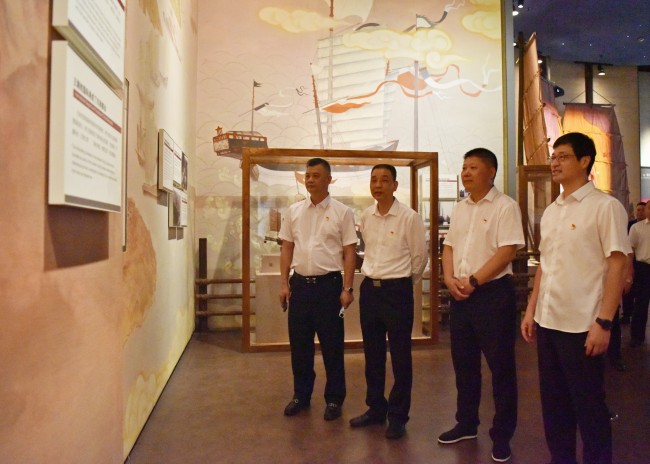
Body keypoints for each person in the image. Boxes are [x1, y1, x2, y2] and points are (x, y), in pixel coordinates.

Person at [521, 132, 631, 464]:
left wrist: (604, 322)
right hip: (548, 321)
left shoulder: (605, 207)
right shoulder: (552, 211)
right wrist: (531, 309)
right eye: (553, 157)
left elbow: (617, 266)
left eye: (563, 156)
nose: (554, 163)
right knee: (554, 406)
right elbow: (545, 264)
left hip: (583, 326)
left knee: (589, 407)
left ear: (584, 161)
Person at [438, 148, 524, 463]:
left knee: (501, 368)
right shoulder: (461, 208)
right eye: (464, 167)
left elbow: (507, 251)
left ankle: (502, 436)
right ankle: (466, 423)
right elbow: (448, 247)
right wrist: (449, 279)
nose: (466, 172)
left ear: (491, 172)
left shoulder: (505, 206)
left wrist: (474, 281)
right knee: (464, 364)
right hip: (460, 294)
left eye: (473, 167)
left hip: (492, 295)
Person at [348, 164, 427, 440]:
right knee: (372, 354)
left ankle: (398, 416)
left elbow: (420, 258)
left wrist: (402, 282)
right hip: (370, 290)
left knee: (401, 356)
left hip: (397, 292)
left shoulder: (409, 217)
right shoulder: (366, 216)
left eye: (384, 180)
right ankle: (375, 408)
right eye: (374, 180)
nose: (378, 185)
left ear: (395, 185)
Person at [278, 157, 357, 421]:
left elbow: (349, 252)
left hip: (329, 287)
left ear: (329, 179)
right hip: (300, 286)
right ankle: (301, 395)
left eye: (316, 175)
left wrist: (347, 288)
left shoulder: (342, 212)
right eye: (308, 175)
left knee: (332, 347)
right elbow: (287, 247)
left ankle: (334, 399)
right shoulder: (293, 211)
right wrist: (283, 283)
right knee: (300, 346)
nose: (310, 180)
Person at [628, 200, 650, 347]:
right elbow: (630, 250)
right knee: (641, 304)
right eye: (649, 208)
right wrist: (629, 270)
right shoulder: (636, 227)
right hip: (643, 268)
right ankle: (637, 337)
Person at [621, 201, 646, 324]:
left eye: (643, 210)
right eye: (638, 210)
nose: (640, 212)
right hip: (632, 260)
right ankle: (627, 314)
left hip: (642, 262)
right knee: (628, 289)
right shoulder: (632, 225)